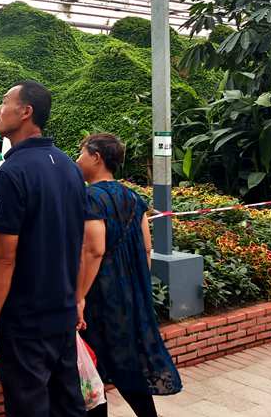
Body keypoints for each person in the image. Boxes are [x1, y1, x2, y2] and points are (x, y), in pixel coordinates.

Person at [0, 81, 87, 417]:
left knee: (29, 406)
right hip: (62, 313)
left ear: (26, 112)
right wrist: (77, 299)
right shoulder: (70, 167)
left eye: (4, 102)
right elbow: (78, 241)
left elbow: (3, 257)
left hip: (26, 322)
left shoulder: (12, 173)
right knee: (68, 405)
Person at [75, 133, 182, 417]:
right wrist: (137, 287)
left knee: (92, 367)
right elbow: (146, 248)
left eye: (81, 153)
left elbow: (94, 250)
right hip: (130, 294)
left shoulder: (90, 198)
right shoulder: (133, 197)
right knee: (126, 364)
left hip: (98, 296)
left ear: (96, 157)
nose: (78, 160)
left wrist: (79, 296)